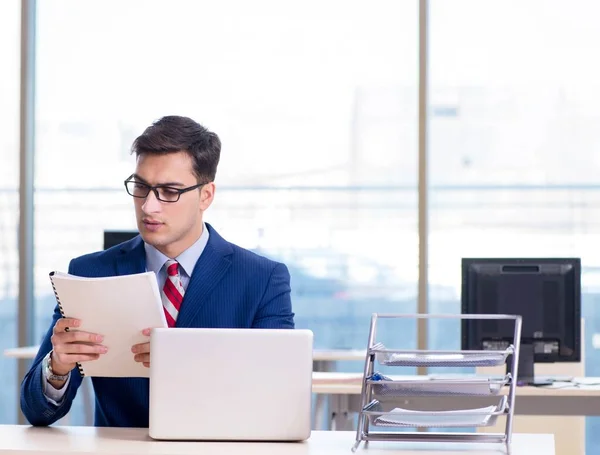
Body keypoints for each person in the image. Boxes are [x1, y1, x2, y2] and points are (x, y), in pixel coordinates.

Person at [20, 115, 295, 427]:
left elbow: (277, 395)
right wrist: (57, 367)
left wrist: (191, 365)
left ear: (206, 195)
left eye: (169, 191)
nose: (148, 206)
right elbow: (36, 412)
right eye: (141, 187)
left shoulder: (261, 280)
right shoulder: (91, 272)